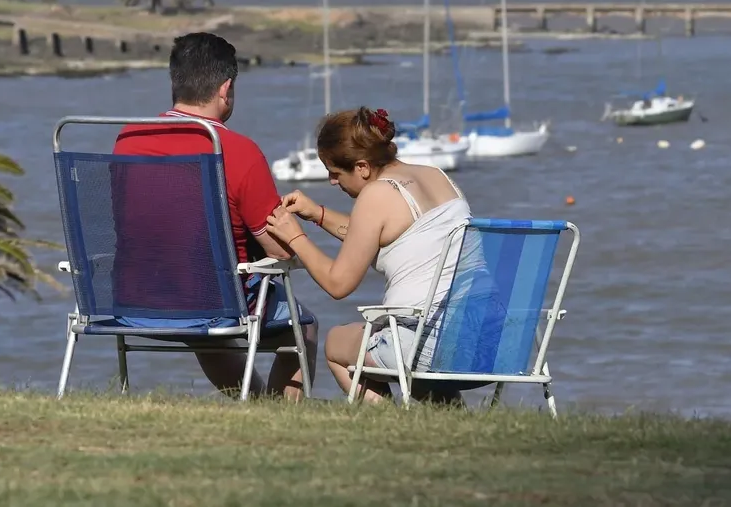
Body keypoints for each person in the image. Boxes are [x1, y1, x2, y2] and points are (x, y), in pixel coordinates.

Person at [112, 32, 318, 400]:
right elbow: (282, 249)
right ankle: (278, 416)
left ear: (176, 82)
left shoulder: (128, 139)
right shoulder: (236, 151)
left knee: (208, 315)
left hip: (137, 298)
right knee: (303, 327)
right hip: (212, 303)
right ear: (226, 89)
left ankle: (257, 406)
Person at [265, 106, 472, 404]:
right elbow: (377, 234)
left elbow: (339, 284)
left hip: (426, 345)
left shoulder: (377, 194)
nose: (332, 182)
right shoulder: (438, 177)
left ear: (362, 167)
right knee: (394, 342)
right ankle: (448, 419)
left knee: (337, 343)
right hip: (477, 340)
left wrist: (294, 236)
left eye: (335, 173)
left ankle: (389, 424)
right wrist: (317, 214)